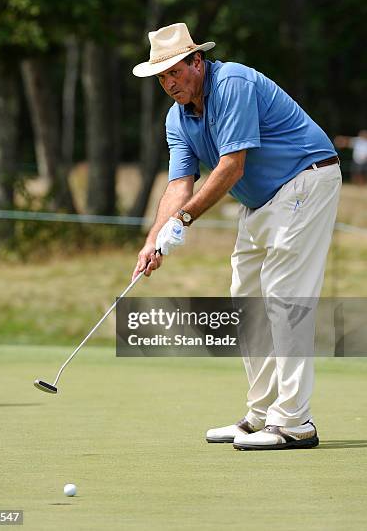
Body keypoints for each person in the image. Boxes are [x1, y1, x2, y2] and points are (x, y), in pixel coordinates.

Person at [132, 22, 342, 451]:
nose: (169, 82)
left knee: (285, 296)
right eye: (162, 76)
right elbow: (178, 185)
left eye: (175, 70)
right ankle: (261, 414)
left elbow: (232, 166)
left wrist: (184, 222)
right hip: (261, 201)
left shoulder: (233, 84)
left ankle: (295, 422)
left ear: (197, 61)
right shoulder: (178, 117)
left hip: (307, 178)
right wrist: (154, 238)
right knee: (245, 297)